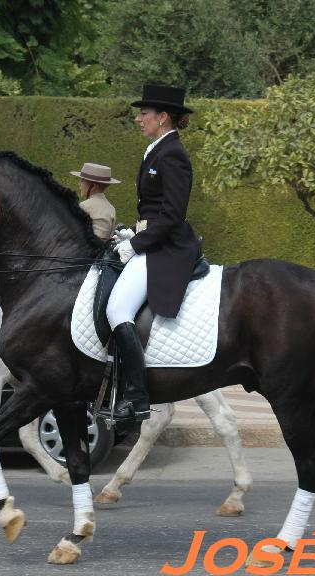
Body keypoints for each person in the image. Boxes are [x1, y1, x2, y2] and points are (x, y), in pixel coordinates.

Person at [104, 84, 201, 424]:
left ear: (162, 118)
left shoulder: (172, 153)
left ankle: (137, 396)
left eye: (143, 113)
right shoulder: (156, 149)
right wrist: (135, 231)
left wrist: (137, 244)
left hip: (168, 248)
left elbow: (172, 216)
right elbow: (154, 211)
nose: (137, 118)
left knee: (117, 309)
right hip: (153, 239)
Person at [70, 162, 119, 242]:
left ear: (93, 186)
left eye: (82, 181)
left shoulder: (84, 206)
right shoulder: (112, 209)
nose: (79, 184)